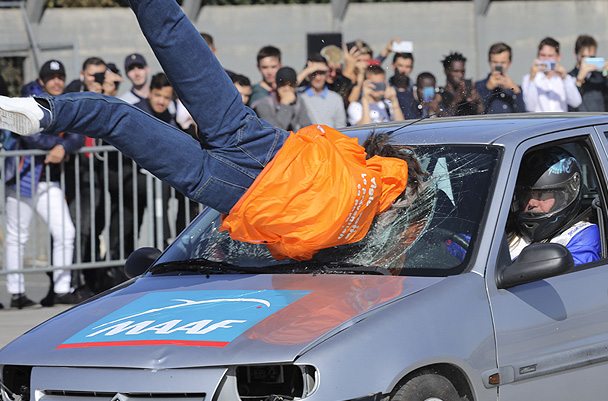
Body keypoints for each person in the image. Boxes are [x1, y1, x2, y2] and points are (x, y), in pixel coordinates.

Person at [0, 0, 422, 262]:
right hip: (232, 193)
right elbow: (286, 248)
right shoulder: (356, 234)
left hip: (265, 147)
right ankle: (43, 113)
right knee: (118, 121)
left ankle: (42, 110)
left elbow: (325, 137)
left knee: (174, 34)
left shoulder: (375, 169)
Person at [3, 59, 83, 308]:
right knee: (17, 237)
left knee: (65, 232)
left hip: (49, 180)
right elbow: (31, 134)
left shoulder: (67, 100)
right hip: (22, 178)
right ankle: (17, 294)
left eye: (60, 76)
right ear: (41, 81)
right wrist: (59, 145)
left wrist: (64, 145)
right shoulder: (29, 99)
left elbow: (78, 135)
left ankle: (61, 288)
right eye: (51, 77)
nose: (57, 81)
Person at [507, 147, 600, 265]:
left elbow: (574, 275)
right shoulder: (507, 230)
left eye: (541, 195)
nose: (531, 203)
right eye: (525, 195)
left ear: (564, 197)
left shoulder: (582, 234)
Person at [521, 37, 582, 112]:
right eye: (543, 55)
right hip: (541, 122)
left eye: (550, 56)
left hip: (560, 122)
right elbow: (530, 107)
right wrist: (532, 78)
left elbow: (575, 103)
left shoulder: (566, 78)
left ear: (558, 57)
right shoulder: (528, 78)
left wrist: (564, 78)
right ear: (537, 56)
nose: (546, 59)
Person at [252, 67, 312, 131]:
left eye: (291, 85)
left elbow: (307, 127)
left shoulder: (298, 101)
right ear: (276, 85)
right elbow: (274, 131)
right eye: (283, 84)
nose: (287, 88)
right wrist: (285, 104)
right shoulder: (264, 104)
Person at [568, 34, 608, 112]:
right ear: (576, 54)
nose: (588, 60)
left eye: (591, 57)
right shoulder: (568, 77)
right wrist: (579, 80)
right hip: (579, 122)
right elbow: (571, 104)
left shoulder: (600, 77)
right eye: (584, 56)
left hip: (599, 121)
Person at [475, 42, 525, 114]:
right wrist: (488, 88)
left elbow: (523, 114)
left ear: (509, 63)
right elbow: (475, 111)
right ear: (489, 61)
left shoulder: (516, 89)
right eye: (495, 62)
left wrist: (516, 91)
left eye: (502, 63)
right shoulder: (479, 86)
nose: (498, 66)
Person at [299, 54, 347, 128]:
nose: (318, 77)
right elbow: (288, 87)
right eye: (314, 73)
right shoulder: (299, 95)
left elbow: (341, 128)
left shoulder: (336, 98)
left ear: (327, 73)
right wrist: (307, 71)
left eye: (321, 73)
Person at [439, 51, 484, 116]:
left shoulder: (468, 95)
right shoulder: (440, 95)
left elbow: (481, 116)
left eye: (462, 71)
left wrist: (479, 103)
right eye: (456, 71)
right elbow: (442, 120)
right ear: (446, 71)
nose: (460, 75)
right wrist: (455, 102)